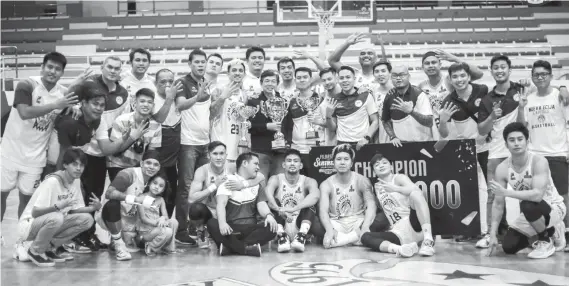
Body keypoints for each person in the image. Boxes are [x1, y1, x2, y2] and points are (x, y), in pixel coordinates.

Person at [54, 83, 145, 252]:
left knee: (86, 199)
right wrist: (61, 177)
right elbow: (63, 154)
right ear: (83, 103)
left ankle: (83, 236)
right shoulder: (70, 118)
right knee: (62, 201)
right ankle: (56, 243)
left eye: (102, 105)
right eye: (95, 104)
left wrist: (128, 138)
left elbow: (106, 149)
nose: (99, 108)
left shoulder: (98, 121)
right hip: (58, 162)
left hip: (78, 160)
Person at [1, 52, 79, 225]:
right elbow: (24, 112)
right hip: (10, 152)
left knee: (28, 203)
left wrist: (75, 108)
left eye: (57, 69)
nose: (52, 71)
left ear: (62, 73)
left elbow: (71, 107)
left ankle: (21, 242)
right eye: (49, 67)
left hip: (36, 158)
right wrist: (55, 105)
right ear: (42, 67)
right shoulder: (26, 84)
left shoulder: (63, 93)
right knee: (1, 196)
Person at [487, 122, 566, 259]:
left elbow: (537, 196)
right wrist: (493, 233)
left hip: (554, 207)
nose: (516, 143)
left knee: (527, 204)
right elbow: (498, 204)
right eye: (511, 140)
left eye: (520, 139)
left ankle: (545, 240)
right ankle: (552, 230)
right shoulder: (502, 168)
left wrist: (507, 193)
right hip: (531, 212)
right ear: (506, 144)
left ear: (527, 142)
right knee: (509, 247)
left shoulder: (538, 161)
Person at [14, 149, 100, 267]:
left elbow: (75, 209)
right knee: (57, 217)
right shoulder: (52, 182)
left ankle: (48, 247)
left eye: (81, 165)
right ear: (65, 165)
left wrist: (93, 208)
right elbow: (35, 212)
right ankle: (35, 250)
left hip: (52, 221)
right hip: (29, 226)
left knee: (87, 219)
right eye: (74, 164)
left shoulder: (75, 181)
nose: (79, 168)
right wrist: (57, 207)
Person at [518, 60, 569, 251]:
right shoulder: (528, 99)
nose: (540, 77)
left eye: (543, 74)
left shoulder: (560, 96)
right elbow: (523, 128)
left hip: (557, 153)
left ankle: (567, 232)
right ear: (532, 77)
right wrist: (521, 108)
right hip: (536, 156)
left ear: (551, 76)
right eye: (536, 74)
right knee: (538, 198)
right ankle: (549, 232)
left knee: (563, 197)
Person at [437, 62, 490, 242]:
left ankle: (492, 229)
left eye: (462, 76)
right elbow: (443, 134)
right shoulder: (448, 101)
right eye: (455, 77)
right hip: (466, 152)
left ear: (468, 76)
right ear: (450, 80)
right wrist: (443, 120)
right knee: (470, 191)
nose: (459, 80)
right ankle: (471, 229)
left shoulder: (482, 90)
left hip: (488, 148)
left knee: (491, 190)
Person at [188, 141, 265, 248]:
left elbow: (261, 176)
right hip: (210, 210)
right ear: (208, 155)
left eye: (221, 153)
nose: (219, 157)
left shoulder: (232, 166)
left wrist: (243, 184)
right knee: (196, 209)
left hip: (228, 210)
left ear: (226, 155)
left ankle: (231, 237)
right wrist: (214, 185)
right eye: (215, 154)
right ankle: (202, 230)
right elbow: (191, 199)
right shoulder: (202, 171)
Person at [360, 153, 435, 257]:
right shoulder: (376, 186)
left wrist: (395, 189)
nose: (381, 165)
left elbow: (416, 190)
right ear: (374, 171)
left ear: (391, 166)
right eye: (377, 165)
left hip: (414, 223)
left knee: (415, 194)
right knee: (365, 237)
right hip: (399, 232)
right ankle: (401, 249)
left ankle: (428, 240)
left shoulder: (399, 178)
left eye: (384, 163)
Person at [208, 152, 278, 257]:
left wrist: (268, 215)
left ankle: (230, 247)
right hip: (231, 229)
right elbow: (221, 204)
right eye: (255, 164)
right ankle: (247, 249)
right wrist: (222, 223)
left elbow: (261, 204)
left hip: (251, 229)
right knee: (211, 223)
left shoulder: (257, 184)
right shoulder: (228, 180)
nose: (258, 167)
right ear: (245, 163)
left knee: (272, 227)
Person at [95, 150, 161, 261]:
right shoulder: (129, 174)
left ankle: (127, 239)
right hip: (111, 216)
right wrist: (135, 199)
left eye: (155, 164)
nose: (151, 167)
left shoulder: (153, 182)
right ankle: (118, 244)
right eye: (148, 163)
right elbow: (109, 193)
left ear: (159, 167)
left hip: (130, 221)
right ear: (141, 163)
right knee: (113, 204)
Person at [175, 49, 212, 245]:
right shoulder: (182, 82)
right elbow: (180, 105)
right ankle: (182, 229)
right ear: (190, 64)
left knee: (204, 187)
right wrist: (197, 96)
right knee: (186, 188)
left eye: (203, 62)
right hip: (188, 143)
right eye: (196, 62)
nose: (200, 65)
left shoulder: (207, 83)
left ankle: (200, 228)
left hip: (205, 143)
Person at [317, 144, 377, 248]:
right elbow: (323, 210)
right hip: (336, 222)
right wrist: (329, 229)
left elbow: (371, 205)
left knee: (380, 219)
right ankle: (355, 239)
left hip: (358, 222)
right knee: (315, 222)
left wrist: (365, 227)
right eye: (339, 159)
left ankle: (342, 240)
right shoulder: (326, 184)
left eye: (346, 159)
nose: (342, 162)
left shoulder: (362, 180)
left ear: (351, 163)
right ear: (333, 163)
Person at [264, 149, 321, 253]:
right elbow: (268, 194)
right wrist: (280, 209)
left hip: (301, 222)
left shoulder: (308, 181)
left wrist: (294, 208)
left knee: (310, 203)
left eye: (296, 161)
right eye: (289, 160)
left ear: (301, 165)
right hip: (281, 222)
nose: (292, 163)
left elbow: (315, 196)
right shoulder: (276, 178)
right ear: (283, 165)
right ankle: (282, 237)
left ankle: (301, 237)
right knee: (272, 201)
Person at [418, 50, 484, 139]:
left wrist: (455, 59)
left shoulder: (450, 80)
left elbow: (479, 74)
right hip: (435, 131)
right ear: (422, 67)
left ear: (440, 64)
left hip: (455, 127)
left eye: (434, 62)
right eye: (427, 63)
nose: (431, 65)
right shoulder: (421, 86)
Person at [107, 88, 162, 180]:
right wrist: (133, 137)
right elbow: (114, 151)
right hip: (116, 164)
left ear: (153, 106)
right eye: (142, 101)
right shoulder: (121, 120)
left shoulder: (156, 125)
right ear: (134, 104)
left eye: (149, 102)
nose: (146, 105)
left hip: (138, 166)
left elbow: (151, 153)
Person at [325, 66, 379, 149]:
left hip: (363, 143)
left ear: (354, 79)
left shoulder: (365, 95)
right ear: (337, 80)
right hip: (342, 144)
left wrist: (367, 138)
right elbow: (333, 128)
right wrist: (328, 117)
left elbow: (375, 121)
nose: (345, 80)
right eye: (341, 78)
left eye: (348, 77)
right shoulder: (334, 100)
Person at [153, 69, 183, 217]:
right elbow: (159, 118)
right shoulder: (152, 99)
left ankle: (167, 226)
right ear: (155, 83)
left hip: (173, 159)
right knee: (156, 194)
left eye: (171, 81)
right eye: (163, 81)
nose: (167, 85)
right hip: (156, 159)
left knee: (171, 194)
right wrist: (169, 99)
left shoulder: (178, 98)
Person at [283, 67, 325, 172]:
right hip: (297, 150)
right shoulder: (291, 102)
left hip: (317, 149)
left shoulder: (321, 100)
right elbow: (288, 126)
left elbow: (329, 124)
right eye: (299, 78)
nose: (302, 80)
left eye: (305, 77)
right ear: (295, 80)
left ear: (311, 79)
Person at [210, 59, 247, 172]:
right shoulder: (218, 90)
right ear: (228, 74)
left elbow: (241, 118)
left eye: (240, 70)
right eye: (234, 70)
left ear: (244, 74)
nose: (237, 73)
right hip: (221, 139)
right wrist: (222, 97)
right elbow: (211, 113)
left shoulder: (244, 94)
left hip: (236, 141)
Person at [382, 65, 434, 146]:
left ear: (409, 76)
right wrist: (392, 137)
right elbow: (385, 120)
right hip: (401, 146)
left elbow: (429, 122)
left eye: (402, 75)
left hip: (423, 144)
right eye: (395, 75)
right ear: (391, 78)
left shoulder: (419, 94)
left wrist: (411, 112)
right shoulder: (389, 96)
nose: (398, 78)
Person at [247, 69, 285, 179]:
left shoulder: (284, 102)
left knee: (278, 183)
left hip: (280, 151)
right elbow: (249, 126)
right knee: (261, 183)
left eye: (273, 81)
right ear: (261, 83)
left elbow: (287, 126)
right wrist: (266, 126)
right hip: (261, 149)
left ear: (277, 84)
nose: (270, 84)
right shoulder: (253, 102)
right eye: (267, 81)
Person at [136, 173, 179, 256]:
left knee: (173, 221)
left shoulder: (160, 199)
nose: (157, 187)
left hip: (156, 228)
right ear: (149, 183)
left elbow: (166, 216)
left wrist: (162, 218)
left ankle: (169, 247)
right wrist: (157, 223)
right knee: (167, 231)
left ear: (163, 190)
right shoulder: (141, 197)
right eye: (155, 183)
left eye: (161, 186)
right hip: (145, 232)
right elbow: (143, 219)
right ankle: (150, 247)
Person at [120, 48, 156, 113]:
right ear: (131, 62)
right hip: (123, 121)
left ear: (149, 63)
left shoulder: (153, 82)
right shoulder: (120, 80)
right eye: (137, 60)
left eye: (144, 60)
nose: (141, 63)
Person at [371, 60, 393, 144]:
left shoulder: (399, 91)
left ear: (390, 73)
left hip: (401, 137)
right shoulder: (372, 94)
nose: (380, 74)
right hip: (381, 139)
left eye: (383, 71)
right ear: (373, 75)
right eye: (376, 72)